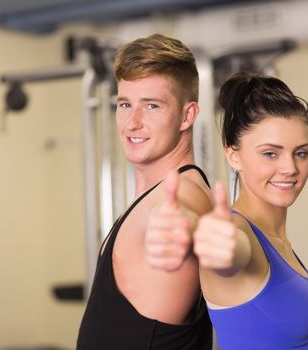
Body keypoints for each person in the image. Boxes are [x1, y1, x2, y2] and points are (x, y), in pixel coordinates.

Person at [76, 33, 214, 350]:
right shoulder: (162, 192)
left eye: (151, 106)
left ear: (187, 114)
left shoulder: (177, 198)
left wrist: (183, 227)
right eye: (125, 104)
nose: (132, 123)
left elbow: (181, 216)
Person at [193, 72, 308, 349]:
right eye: (270, 153)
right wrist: (220, 246)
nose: (290, 168)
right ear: (234, 155)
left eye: (300, 152)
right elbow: (232, 253)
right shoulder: (238, 232)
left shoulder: (279, 241)